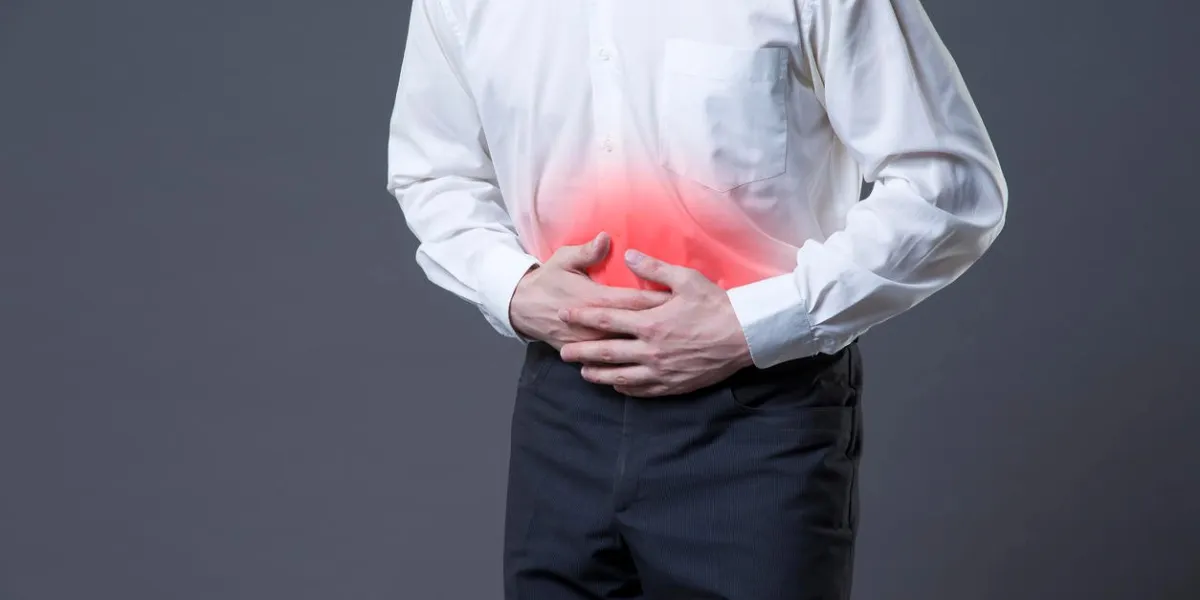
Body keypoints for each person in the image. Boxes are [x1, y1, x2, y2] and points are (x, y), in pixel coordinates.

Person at [387, 0, 1007, 597]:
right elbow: (433, 170)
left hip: (758, 418)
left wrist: (751, 325)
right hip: (564, 409)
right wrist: (513, 287)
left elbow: (949, 186)